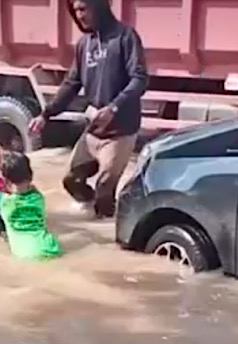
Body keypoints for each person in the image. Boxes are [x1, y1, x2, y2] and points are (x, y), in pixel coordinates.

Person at [28, 0, 148, 219]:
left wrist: (114, 107)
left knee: (104, 187)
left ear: (99, 6)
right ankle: (93, 217)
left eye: (83, 9)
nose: (79, 15)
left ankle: (112, 236)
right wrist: (46, 114)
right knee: (70, 180)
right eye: (75, 11)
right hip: (93, 130)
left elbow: (140, 79)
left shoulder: (125, 37)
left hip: (120, 132)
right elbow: (71, 84)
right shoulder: (84, 44)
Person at [0, 144, 62, 260]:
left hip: (25, 256)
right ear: (31, 176)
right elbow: (27, 185)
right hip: (51, 248)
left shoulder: (3, 202)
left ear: (5, 181)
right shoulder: (38, 198)